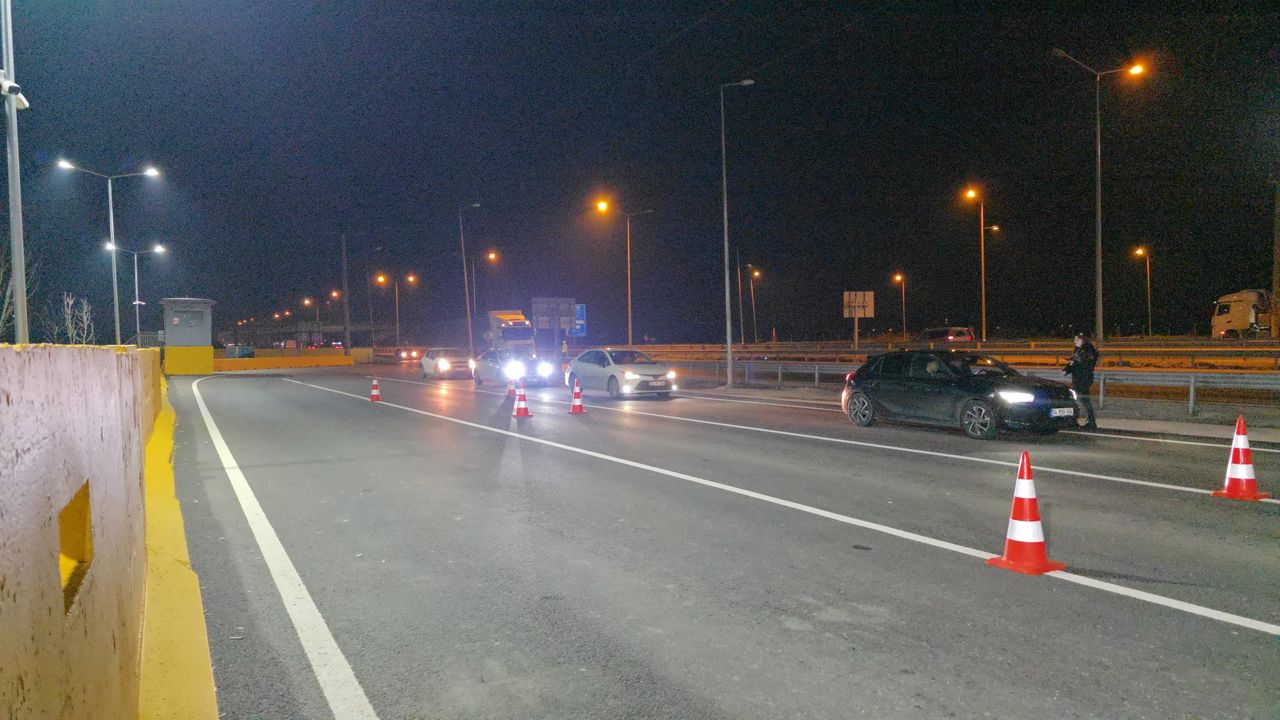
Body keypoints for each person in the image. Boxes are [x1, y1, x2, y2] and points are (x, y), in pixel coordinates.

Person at [1064, 332, 1100, 430]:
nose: (1074, 341)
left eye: (1077, 339)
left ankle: (1090, 423)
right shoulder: (1079, 349)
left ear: (1082, 340)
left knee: (1083, 400)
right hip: (1079, 378)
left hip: (1083, 379)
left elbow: (1084, 364)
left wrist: (1073, 365)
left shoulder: (1087, 350)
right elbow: (1073, 362)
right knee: (1081, 400)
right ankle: (1083, 421)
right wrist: (1066, 370)